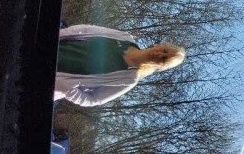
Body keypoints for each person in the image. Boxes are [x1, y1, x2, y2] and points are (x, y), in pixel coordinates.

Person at [54, 24, 185, 106]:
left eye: (164, 59)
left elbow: (94, 100)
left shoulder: (128, 79)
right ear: (160, 45)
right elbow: (84, 29)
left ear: (161, 67)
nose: (159, 55)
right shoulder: (124, 38)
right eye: (164, 51)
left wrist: (67, 89)